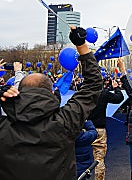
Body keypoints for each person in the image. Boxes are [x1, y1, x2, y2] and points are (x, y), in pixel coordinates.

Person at [0, 26, 103, 180]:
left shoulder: (3, 126)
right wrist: (81, 45)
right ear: (52, 92)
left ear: (19, 91)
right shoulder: (65, 121)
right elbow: (94, 84)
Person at [88, 77, 124, 180]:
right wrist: (116, 88)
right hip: (99, 129)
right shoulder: (103, 94)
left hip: (85, 128)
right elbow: (119, 98)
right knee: (99, 159)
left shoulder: (84, 93)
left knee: (81, 156)